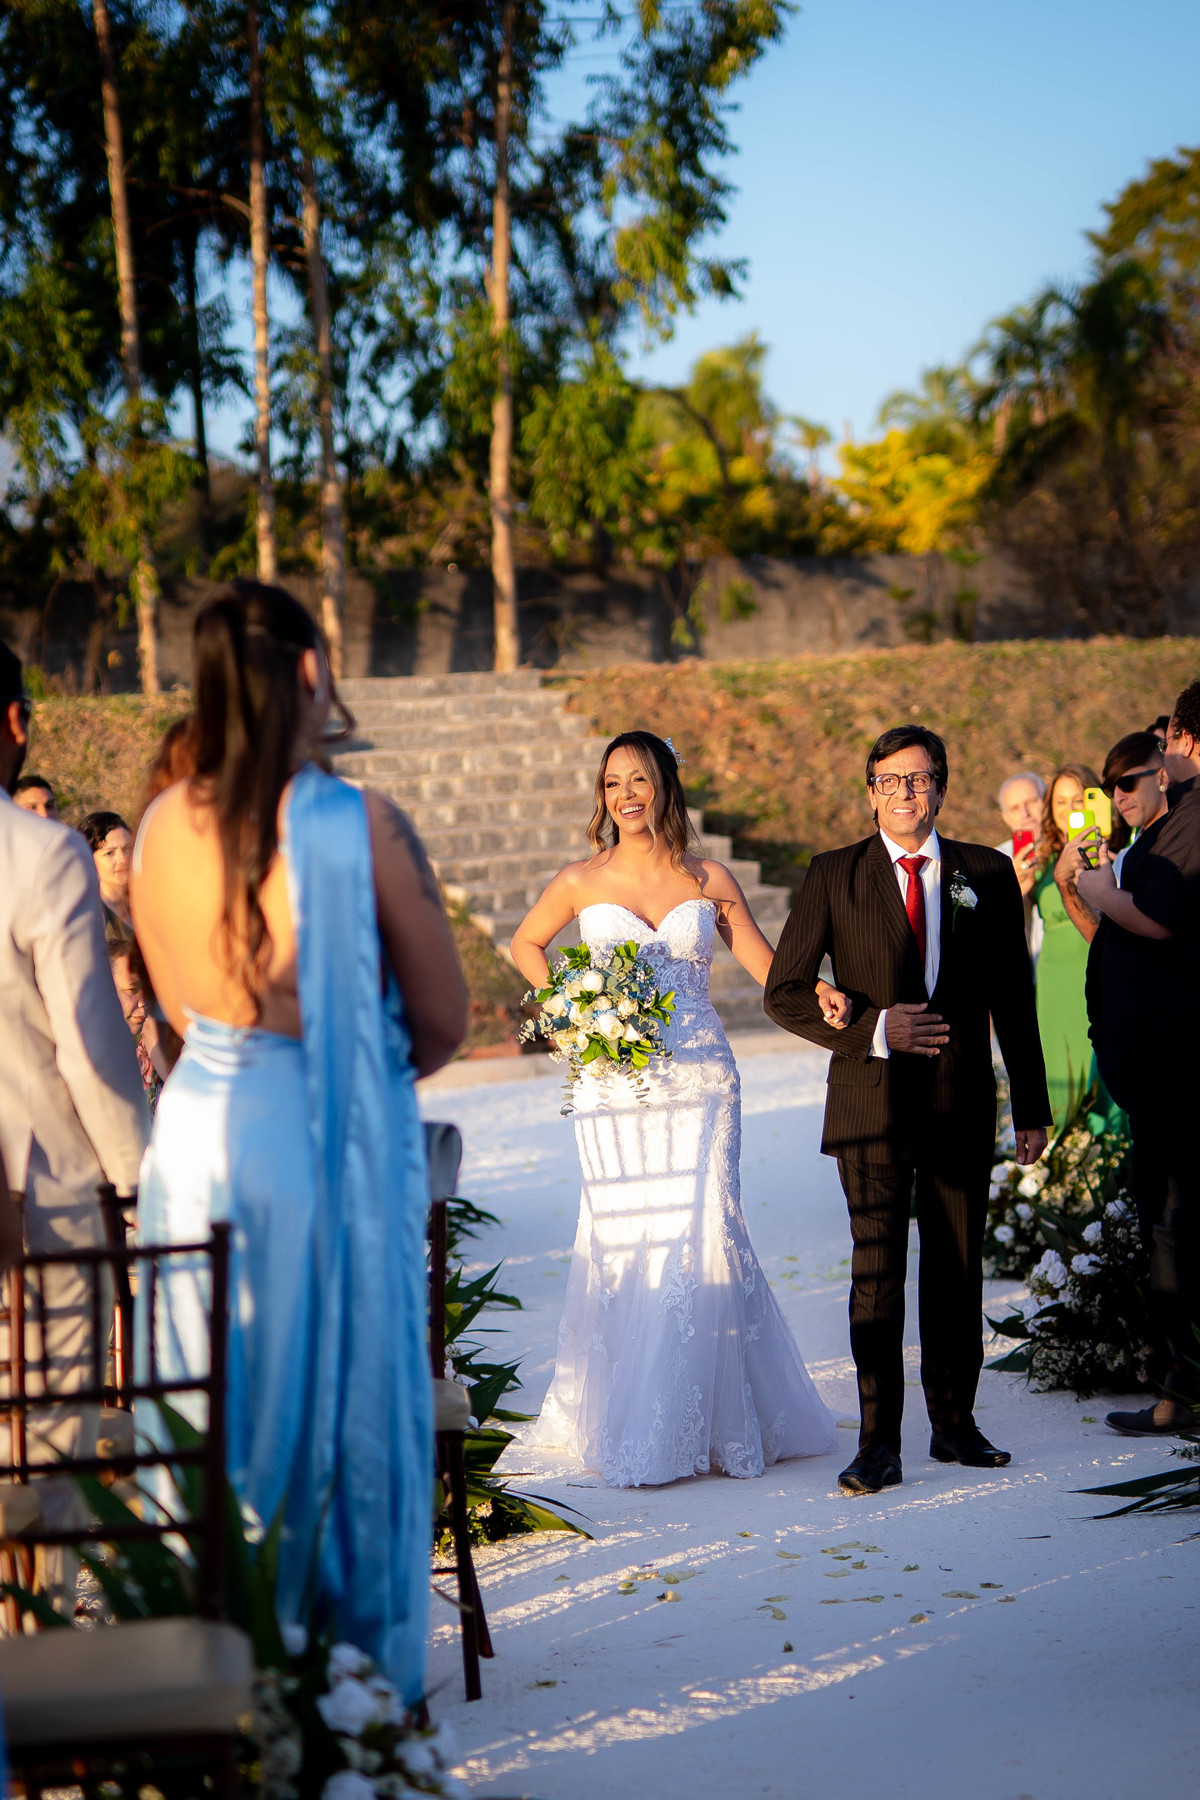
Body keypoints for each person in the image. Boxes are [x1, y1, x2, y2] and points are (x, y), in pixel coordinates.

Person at [130, 582, 467, 1702]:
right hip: (311, 1135)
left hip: (195, 1139)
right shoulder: (354, 822)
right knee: (323, 1399)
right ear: (314, 671)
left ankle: (216, 1664)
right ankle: (336, 1682)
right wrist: (354, 1083)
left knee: (212, 1398)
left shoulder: (158, 829)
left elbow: (178, 1010)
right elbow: (444, 1021)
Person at [510, 730, 838, 1489]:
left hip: (701, 1081)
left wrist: (815, 986)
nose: (626, 795)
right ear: (602, 795)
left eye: (640, 780)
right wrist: (570, 1009)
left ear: (665, 788)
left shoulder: (708, 875)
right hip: (613, 1086)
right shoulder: (579, 879)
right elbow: (528, 944)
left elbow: (766, 963)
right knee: (628, 1235)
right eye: (613, 782)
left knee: (707, 1229)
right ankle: (632, 1413)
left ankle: (718, 1419)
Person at [764, 725, 1050, 1496]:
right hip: (870, 1102)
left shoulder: (984, 872)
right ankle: (877, 1444)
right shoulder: (833, 875)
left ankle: (955, 1427)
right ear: (870, 791)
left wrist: (1032, 1103)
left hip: (961, 1100)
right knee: (877, 1274)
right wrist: (871, 1029)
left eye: (919, 779)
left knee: (958, 1272)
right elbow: (783, 991)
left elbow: (1012, 999)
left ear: (942, 788)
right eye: (889, 780)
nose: (905, 793)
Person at [0, 641, 148, 1617]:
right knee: (37, 1484)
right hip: (38, 1207)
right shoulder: (38, 853)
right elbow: (95, 1062)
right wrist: (144, 1192)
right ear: (15, 722)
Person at [1073, 687, 1200, 1436]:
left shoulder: (1190, 820)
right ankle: (1176, 1387)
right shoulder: (1164, 829)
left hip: (1178, 1065)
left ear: (1181, 740)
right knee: (1166, 1223)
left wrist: (1098, 888)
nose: (1120, 794)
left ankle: (1179, 1394)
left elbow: (1155, 921)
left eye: (1133, 776)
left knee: (1174, 1228)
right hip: (1156, 1064)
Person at [1031, 765, 1103, 1128]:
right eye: (1060, 801)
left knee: (1098, 1066)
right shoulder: (1040, 858)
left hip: (1096, 973)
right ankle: (1057, 1167)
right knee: (1056, 1072)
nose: (1069, 808)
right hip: (1053, 982)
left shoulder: (1112, 853)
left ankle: (1101, 1163)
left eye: (1078, 798)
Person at [994, 770, 1045, 956]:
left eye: (1031, 802)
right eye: (1015, 808)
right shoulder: (993, 862)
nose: (1025, 814)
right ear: (1005, 817)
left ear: (1046, 803)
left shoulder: (1067, 851)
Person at [80, 810, 133, 939]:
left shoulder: (149, 903)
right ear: (89, 859)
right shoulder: (91, 917)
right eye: (110, 853)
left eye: (127, 849)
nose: (123, 859)